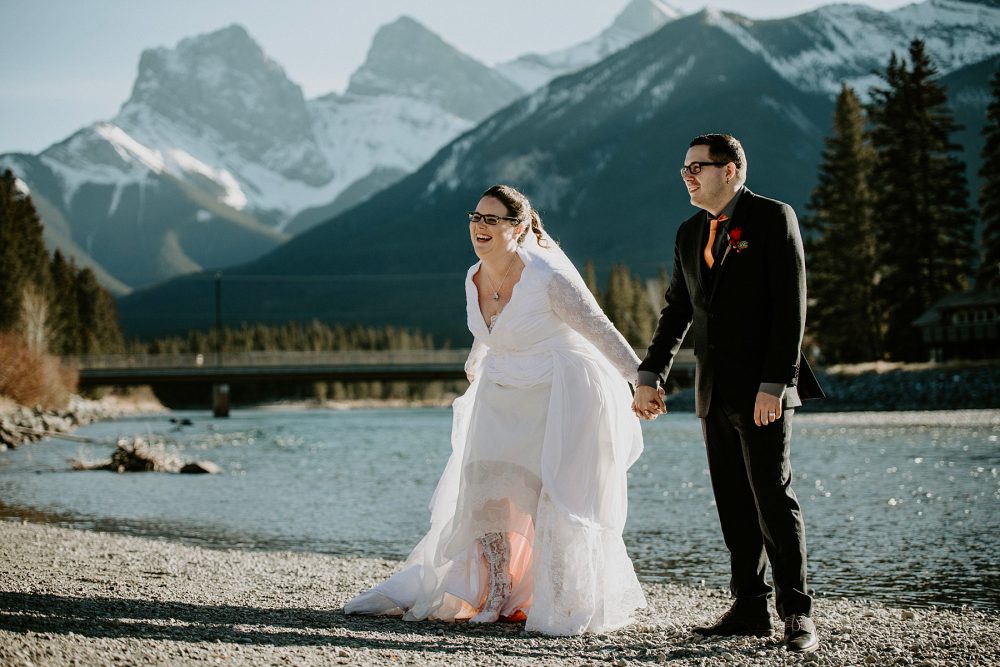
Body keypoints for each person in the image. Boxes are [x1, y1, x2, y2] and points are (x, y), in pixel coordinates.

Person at [345, 184, 646, 635]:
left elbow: (598, 327)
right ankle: (497, 590)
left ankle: (557, 594)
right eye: (475, 217)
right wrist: (475, 363)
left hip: (557, 390)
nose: (480, 227)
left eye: (493, 219)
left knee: (550, 495)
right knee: (484, 486)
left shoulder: (547, 276)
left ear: (519, 228)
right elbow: (488, 331)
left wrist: (641, 378)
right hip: (499, 389)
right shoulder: (472, 275)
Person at [632, 134, 823, 653]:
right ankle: (747, 608)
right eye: (684, 168)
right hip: (713, 391)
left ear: (732, 170)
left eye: (699, 166)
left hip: (764, 391)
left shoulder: (772, 218)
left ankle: (797, 614)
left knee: (773, 498)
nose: (688, 175)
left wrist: (775, 384)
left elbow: (791, 308)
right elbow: (678, 310)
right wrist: (651, 372)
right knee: (733, 503)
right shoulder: (690, 231)